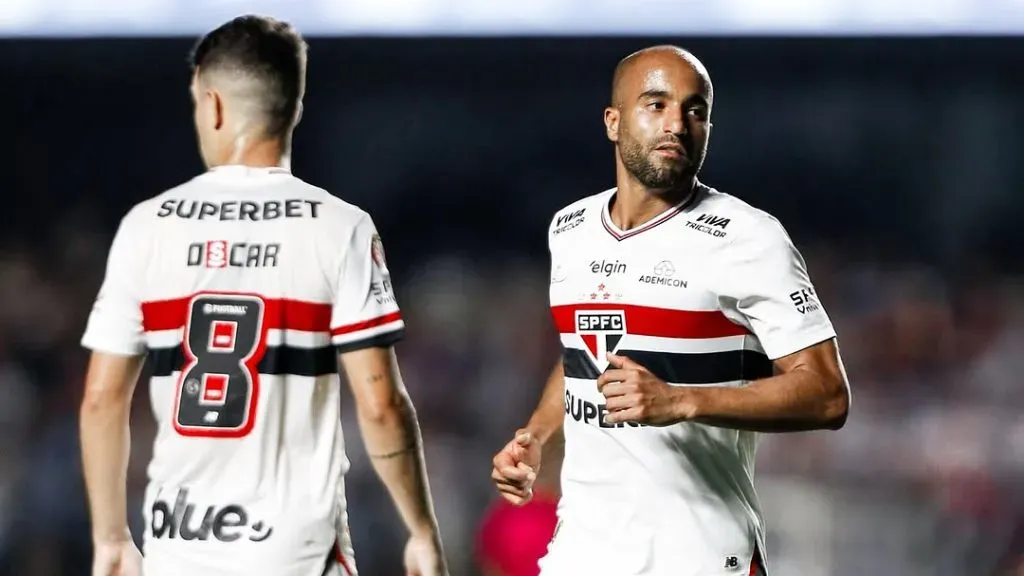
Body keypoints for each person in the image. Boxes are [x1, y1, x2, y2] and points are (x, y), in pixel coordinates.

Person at [78, 15, 447, 576]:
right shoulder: (339, 226)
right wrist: (419, 530)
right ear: (293, 108)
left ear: (214, 103)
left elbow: (102, 401)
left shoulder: (147, 226)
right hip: (294, 553)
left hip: (181, 548)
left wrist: (110, 538)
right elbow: (380, 404)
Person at [490, 45, 851, 576]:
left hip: (700, 555)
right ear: (613, 122)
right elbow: (582, 355)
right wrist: (537, 437)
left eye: (694, 109)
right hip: (582, 553)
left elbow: (827, 395)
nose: (677, 125)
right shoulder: (570, 228)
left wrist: (680, 400)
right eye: (655, 104)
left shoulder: (748, 237)